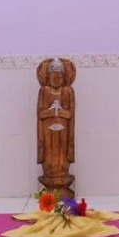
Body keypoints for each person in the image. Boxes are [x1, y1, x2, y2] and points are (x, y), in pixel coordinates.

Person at [36, 58, 77, 197]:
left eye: (59, 76)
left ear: (64, 77)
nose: (56, 79)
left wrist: (59, 111)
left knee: (62, 157)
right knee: (49, 157)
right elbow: (41, 113)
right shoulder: (44, 91)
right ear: (48, 77)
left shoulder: (68, 91)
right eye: (53, 76)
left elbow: (70, 113)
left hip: (64, 132)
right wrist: (53, 110)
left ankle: (63, 184)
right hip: (47, 132)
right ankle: (49, 185)